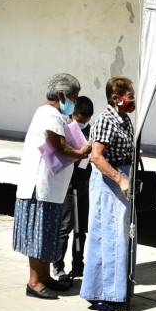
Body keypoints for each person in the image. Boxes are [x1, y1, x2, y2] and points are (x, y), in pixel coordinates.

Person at [14, 73, 91, 299]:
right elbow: (59, 147)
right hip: (40, 188)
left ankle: (45, 277)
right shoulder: (49, 115)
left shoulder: (53, 114)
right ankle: (35, 281)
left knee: (47, 236)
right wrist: (81, 152)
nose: (75, 103)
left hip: (50, 188)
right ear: (61, 95)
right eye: (74, 98)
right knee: (39, 236)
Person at [80, 82, 134, 311]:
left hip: (121, 180)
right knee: (106, 236)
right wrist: (119, 178)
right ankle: (101, 293)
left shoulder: (124, 119)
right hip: (109, 182)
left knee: (119, 237)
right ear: (116, 97)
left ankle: (116, 291)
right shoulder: (106, 120)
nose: (132, 100)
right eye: (129, 96)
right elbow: (97, 157)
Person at [53, 96, 93, 284]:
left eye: (87, 120)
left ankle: (79, 263)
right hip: (68, 184)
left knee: (81, 228)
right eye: (81, 120)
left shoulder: (91, 132)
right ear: (74, 114)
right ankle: (58, 266)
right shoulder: (65, 130)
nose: (84, 124)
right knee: (65, 226)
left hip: (84, 182)